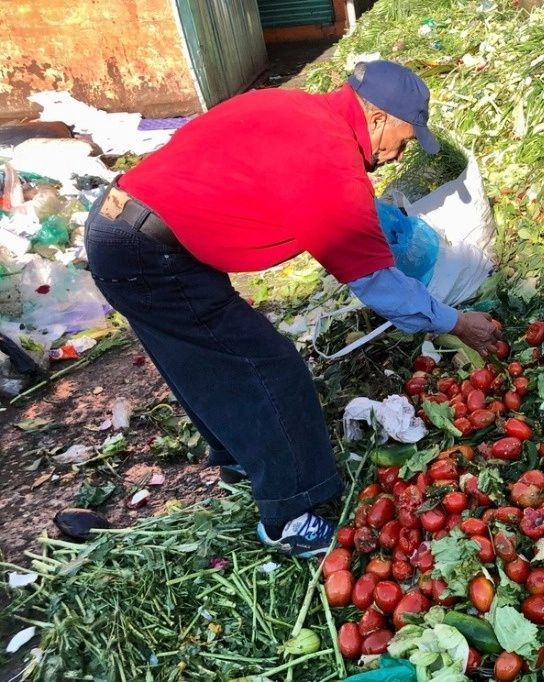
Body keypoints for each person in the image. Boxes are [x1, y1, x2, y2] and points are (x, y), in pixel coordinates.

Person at [83, 60, 502, 558]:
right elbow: (377, 285)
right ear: (377, 118)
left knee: (202, 356)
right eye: (405, 140)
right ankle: (288, 515)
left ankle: (241, 459)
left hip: (127, 224)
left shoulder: (300, 109)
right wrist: (457, 322)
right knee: (269, 368)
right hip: (147, 247)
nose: (396, 156)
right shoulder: (330, 160)